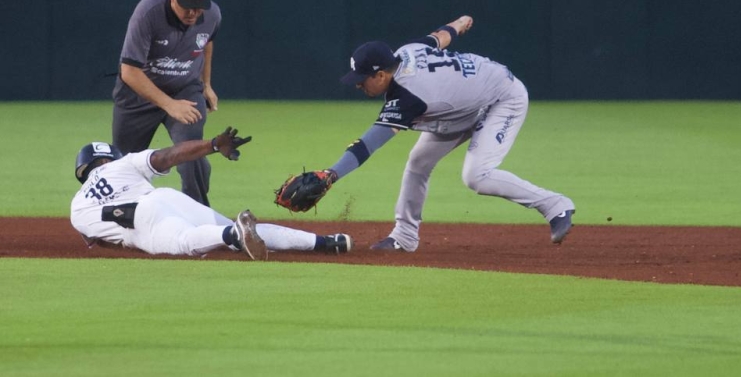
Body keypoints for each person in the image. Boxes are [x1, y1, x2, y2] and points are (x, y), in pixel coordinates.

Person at [325, 15, 575, 252]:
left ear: (381, 74)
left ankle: (555, 205)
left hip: (502, 98)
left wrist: (330, 175)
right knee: (418, 162)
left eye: (362, 79)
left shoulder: (408, 97)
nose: (358, 84)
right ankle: (404, 237)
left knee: (477, 176)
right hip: (464, 105)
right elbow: (439, 37)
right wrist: (457, 24)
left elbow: (369, 144)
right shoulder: (406, 52)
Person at [70, 128, 352, 260]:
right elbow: (168, 156)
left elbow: (99, 238)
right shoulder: (124, 163)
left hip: (141, 217)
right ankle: (328, 242)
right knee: (230, 226)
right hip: (166, 198)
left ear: (82, 171)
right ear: (111, 158)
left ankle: (233, 236)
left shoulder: (78, 205)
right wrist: (213, 145)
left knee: (185, 242)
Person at [112, 0, 221, 206]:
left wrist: (206, 84)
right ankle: (121, 217)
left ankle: (199, 216)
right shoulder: (148, 12)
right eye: (187, 5)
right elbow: (128, 71)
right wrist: (169, 104)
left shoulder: (212, 14)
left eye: (198, 6)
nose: (193, 12)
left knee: (192, 153)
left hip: (186, 91)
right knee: (122, 165)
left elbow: (206, 42)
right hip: (138, 95)